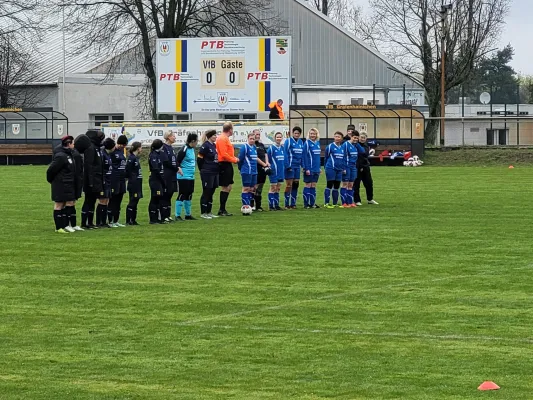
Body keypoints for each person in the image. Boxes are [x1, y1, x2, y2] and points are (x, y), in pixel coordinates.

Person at [46, 135, 77, 233]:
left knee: (65, 204)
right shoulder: (61, 156)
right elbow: (51, 170)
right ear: (68, 144)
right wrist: (53, 181)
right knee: (59, 204)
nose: (74, 145)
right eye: (72, 143)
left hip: (68, 183)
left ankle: (65, 225)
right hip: (60, 184)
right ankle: (58, 227)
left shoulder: (69, 154)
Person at [80, 129, 105, 229]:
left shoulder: (97, 148)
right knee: (88, 200)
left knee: (93, 201)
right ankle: (83, 223)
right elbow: (88, 166)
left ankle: (90, 222)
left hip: (97, 178)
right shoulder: (91, 148)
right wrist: (90, 181)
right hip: (91, 180)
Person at [216, 122, 239, 216]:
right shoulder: (222, 138)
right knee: (225, 186)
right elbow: (223, 154)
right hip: (224, 164)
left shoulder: (225, 138)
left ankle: (223, 209)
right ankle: (221, 209)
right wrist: (234, 159)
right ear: (230, 130)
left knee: (229, 186)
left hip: (227, 164)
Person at [175, 133, 198, 221]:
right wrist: (179, 169)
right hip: (183, 176)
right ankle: (177, 215)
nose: (197, 143)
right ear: (192, 141)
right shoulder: (184, 149)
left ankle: (188, 214)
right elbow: (177, 161)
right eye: (196, 141)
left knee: (189, 194)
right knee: (182, 194)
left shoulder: (192, 149)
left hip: (191, 176)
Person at [197, 130, 220, 220]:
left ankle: (209, 211)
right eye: (214, 135)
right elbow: (199, 159)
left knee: (212, 191)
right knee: (206, 191)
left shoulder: (214, 146)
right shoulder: (205, 146)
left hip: (214, 172)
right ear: (210, 136)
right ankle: (203, 212)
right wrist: (202, 169)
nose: (216, 137)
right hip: (207, 172)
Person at [108, 135, 128, 227]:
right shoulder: (112, 152)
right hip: (114, 179)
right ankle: (110, 221)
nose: (124, 146)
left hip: (121, 180)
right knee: (113, 200)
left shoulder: (121, 152)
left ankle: (116, 220)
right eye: (122, 145)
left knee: (119, 200)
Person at [355, 133, 379, 206]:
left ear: (366, 138)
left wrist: (364, 166)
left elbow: (365, 155)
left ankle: (370, 199)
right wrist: (360, 166)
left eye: (364, 138)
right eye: (361, 137)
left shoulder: (366, 145)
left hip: (365, 167)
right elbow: (359, 156)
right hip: (357, 167)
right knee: (356, 184)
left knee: (369, 183)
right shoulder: (355, 145)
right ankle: (357, 200)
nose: (362, 139)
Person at [324, 131, 346, 208]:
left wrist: (343, 168)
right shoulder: (330, 146)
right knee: (329, 185)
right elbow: (326, 157)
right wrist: (326, 167)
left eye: (338, 137)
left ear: (342, 139)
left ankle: (334, 203)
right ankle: (326, 203)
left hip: (339, 170)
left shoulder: (342, 148)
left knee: (337, 186)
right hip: (331, 168)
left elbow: (343, 159)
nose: (337, 138)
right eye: (335, 136)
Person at [238, 133, 258, 215]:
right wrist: (240, 168)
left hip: (254, 171)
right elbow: (240, 159)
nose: (252, 140)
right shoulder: (244, 147)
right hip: (247, 171)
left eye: (253, 139)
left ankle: (249, 205)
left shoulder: (254, 147)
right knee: (246, 188)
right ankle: (245, 206)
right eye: (251, 139)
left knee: (252, 189)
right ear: (248, 139)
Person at [284, 126, 304, 209]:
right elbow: (285, 153)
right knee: (289, 185)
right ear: (293, 133)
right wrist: (287, 165)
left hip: (297, 167)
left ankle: (293, 203)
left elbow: (302, 155)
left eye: (298, 133)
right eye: (295, 133)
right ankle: (286, 204)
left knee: (296, 185)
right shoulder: (288, 141)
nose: (296, 134)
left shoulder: (301, 142)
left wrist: (303, 166)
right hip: (290, 166)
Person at [161, 131, 179, 223]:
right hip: (167, 175)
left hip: (173, 175)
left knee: (170, 194)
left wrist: (177, 167)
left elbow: (174, 160)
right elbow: (166, 162)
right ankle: (163, 215)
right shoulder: (164, 148)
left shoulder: (171, 148)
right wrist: (176, 168)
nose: (175, 137)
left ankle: (168, 215)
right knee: (166, 194)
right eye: (173, 136)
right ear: (168, 137)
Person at [302, 128, 322, 209]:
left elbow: (318, 157)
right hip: (309, 169)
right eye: (311, 134)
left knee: (313, 185)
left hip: (316, 169)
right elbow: (304, 156)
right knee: (308, 185)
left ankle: (313, 203)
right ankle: (306, 204)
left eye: (314, 134)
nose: (312, 135)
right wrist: (306, 168)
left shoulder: (317, 143)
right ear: (308, 134)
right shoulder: (307, 143)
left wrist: (319, 167)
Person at [97, 138, 115, 227]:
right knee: (102, 200)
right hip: (103, 181)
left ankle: (103, 221)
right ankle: (99, 221)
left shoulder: (108, 154)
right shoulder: (103, 154)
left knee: (106, 200)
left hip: (108, 180)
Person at [148, 139, 166, 224]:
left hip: (159, 179)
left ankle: (158, 218)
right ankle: (153, 218)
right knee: (154, 198)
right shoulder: (153, 155)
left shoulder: (158, 154)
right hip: (155, 180)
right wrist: (162, 180)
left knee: (159, 199)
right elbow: (155, 169)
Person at [252, 129, 270, 212]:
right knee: (254, 187)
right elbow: (255, 157)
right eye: (256, 134)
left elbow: (265, 154)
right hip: (256, 168)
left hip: (263, 168)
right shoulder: (252, 145)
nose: (257, 136)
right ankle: (251, 205)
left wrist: (267, 162)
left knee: (260, 187)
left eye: (259, 134)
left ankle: (258, 206)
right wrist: (263, 164)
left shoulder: (261, 145)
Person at [125, 141, 143, 225]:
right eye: (141, 147)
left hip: (138, 183)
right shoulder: (131, 158)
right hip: (133, 183)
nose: (141, 149)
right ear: (138, 148)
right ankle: (129, 220)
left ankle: (133, 219)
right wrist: (132, 179)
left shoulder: (136, 158)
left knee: (136, 200)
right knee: (132, 201)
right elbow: (127, 170)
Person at [267, 132, 285, 211]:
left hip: (281, 171)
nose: (279, 138)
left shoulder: (282, 148)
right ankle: (271, 206)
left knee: (278, 188)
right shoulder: (271, 148)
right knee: (273, 187)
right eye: (277, 137)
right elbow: (267, 158)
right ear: (274, 138)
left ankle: (276, 205)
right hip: (274, 171)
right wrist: (269, 167)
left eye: (280, 137)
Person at [341, 131, 360, 208]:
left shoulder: (355, 146)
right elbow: (342, 157)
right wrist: (343, 168)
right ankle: (344, 203)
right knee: (345, 184)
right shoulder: (345, 145)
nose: (355, 139)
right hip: (347, 166)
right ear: (351, 137)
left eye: (357, 138)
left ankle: (350, 202)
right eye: (354, 138)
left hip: (353, 167)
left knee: (351, 184)